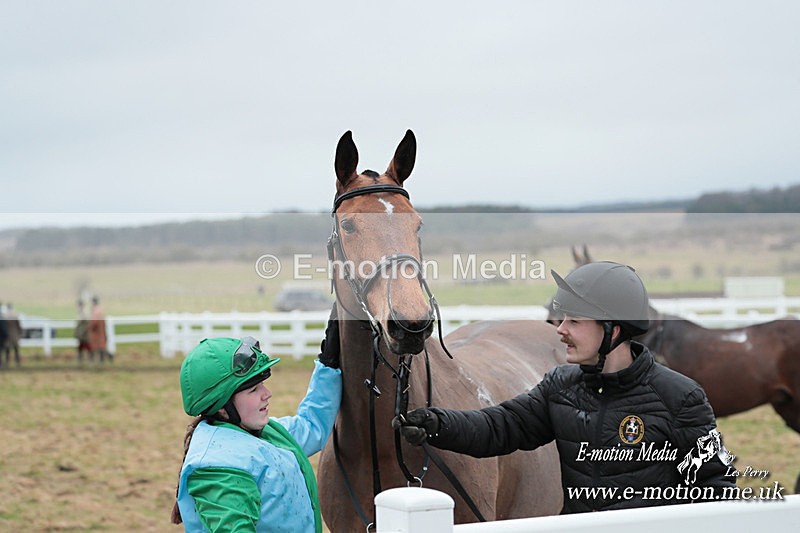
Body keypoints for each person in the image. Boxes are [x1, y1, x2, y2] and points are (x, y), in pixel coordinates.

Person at [395, 261, 734, 513]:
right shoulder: (561, 386)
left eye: (574, 320)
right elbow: (500, 427)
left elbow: (718, 489)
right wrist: (437, 424)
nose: (559, 330)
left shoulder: (682, 398)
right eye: (561, 319)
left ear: (613, 329)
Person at [171, 306, 342, 532]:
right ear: (222, 407)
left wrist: (328, 364)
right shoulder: (220, 468)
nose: (267, 394)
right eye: (253, 390)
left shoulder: (262, 433)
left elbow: (311, 426)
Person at [89, 296, 112, 362]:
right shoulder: (101, 309)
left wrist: (91, 327)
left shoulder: (95, 310)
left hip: (96, 331)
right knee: (101, 345)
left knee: (95, 346)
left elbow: (94, 322)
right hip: (101, 330)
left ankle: (94, 360)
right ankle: (104, 359)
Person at [2, 302, 21, 367]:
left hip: (8, 335)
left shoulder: (5, 315)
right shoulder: (15, 315)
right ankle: (17, 362)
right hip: (15, 334)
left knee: (7, 350)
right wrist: (19, 333)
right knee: (16, 349)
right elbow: (18, 325)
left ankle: (7, 363)